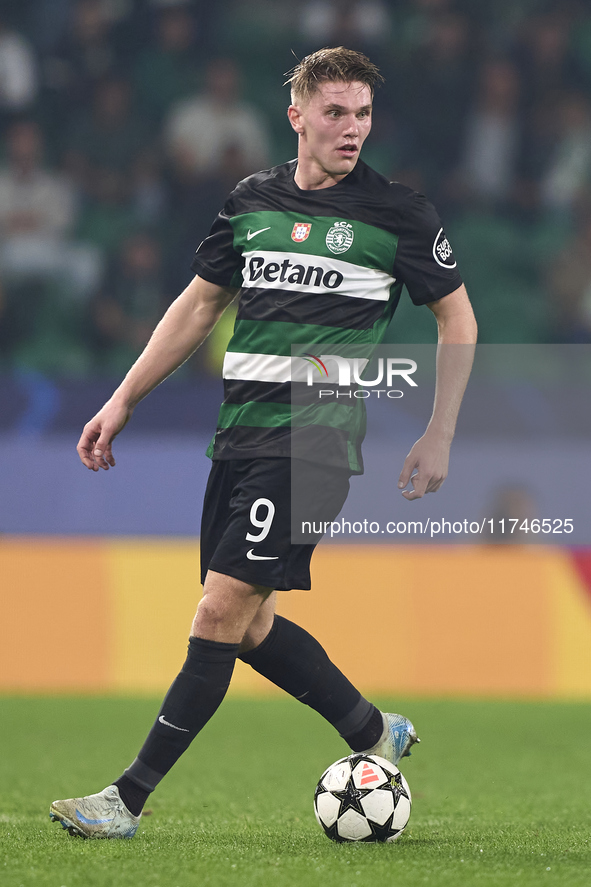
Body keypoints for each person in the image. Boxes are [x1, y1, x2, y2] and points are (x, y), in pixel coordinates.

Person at [50, 47, 477, 839]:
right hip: (237, 439)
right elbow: (197, 305)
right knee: (246, 626)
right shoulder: (250, 201)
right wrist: (121, 400)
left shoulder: (397, 214)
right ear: (297, 116)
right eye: (335, 113)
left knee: (216, 613)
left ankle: (125, 798)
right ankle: (373, 731)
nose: (352, 130)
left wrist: (438, 430)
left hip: (312, 445)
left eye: (363, 115)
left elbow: (457, 317)